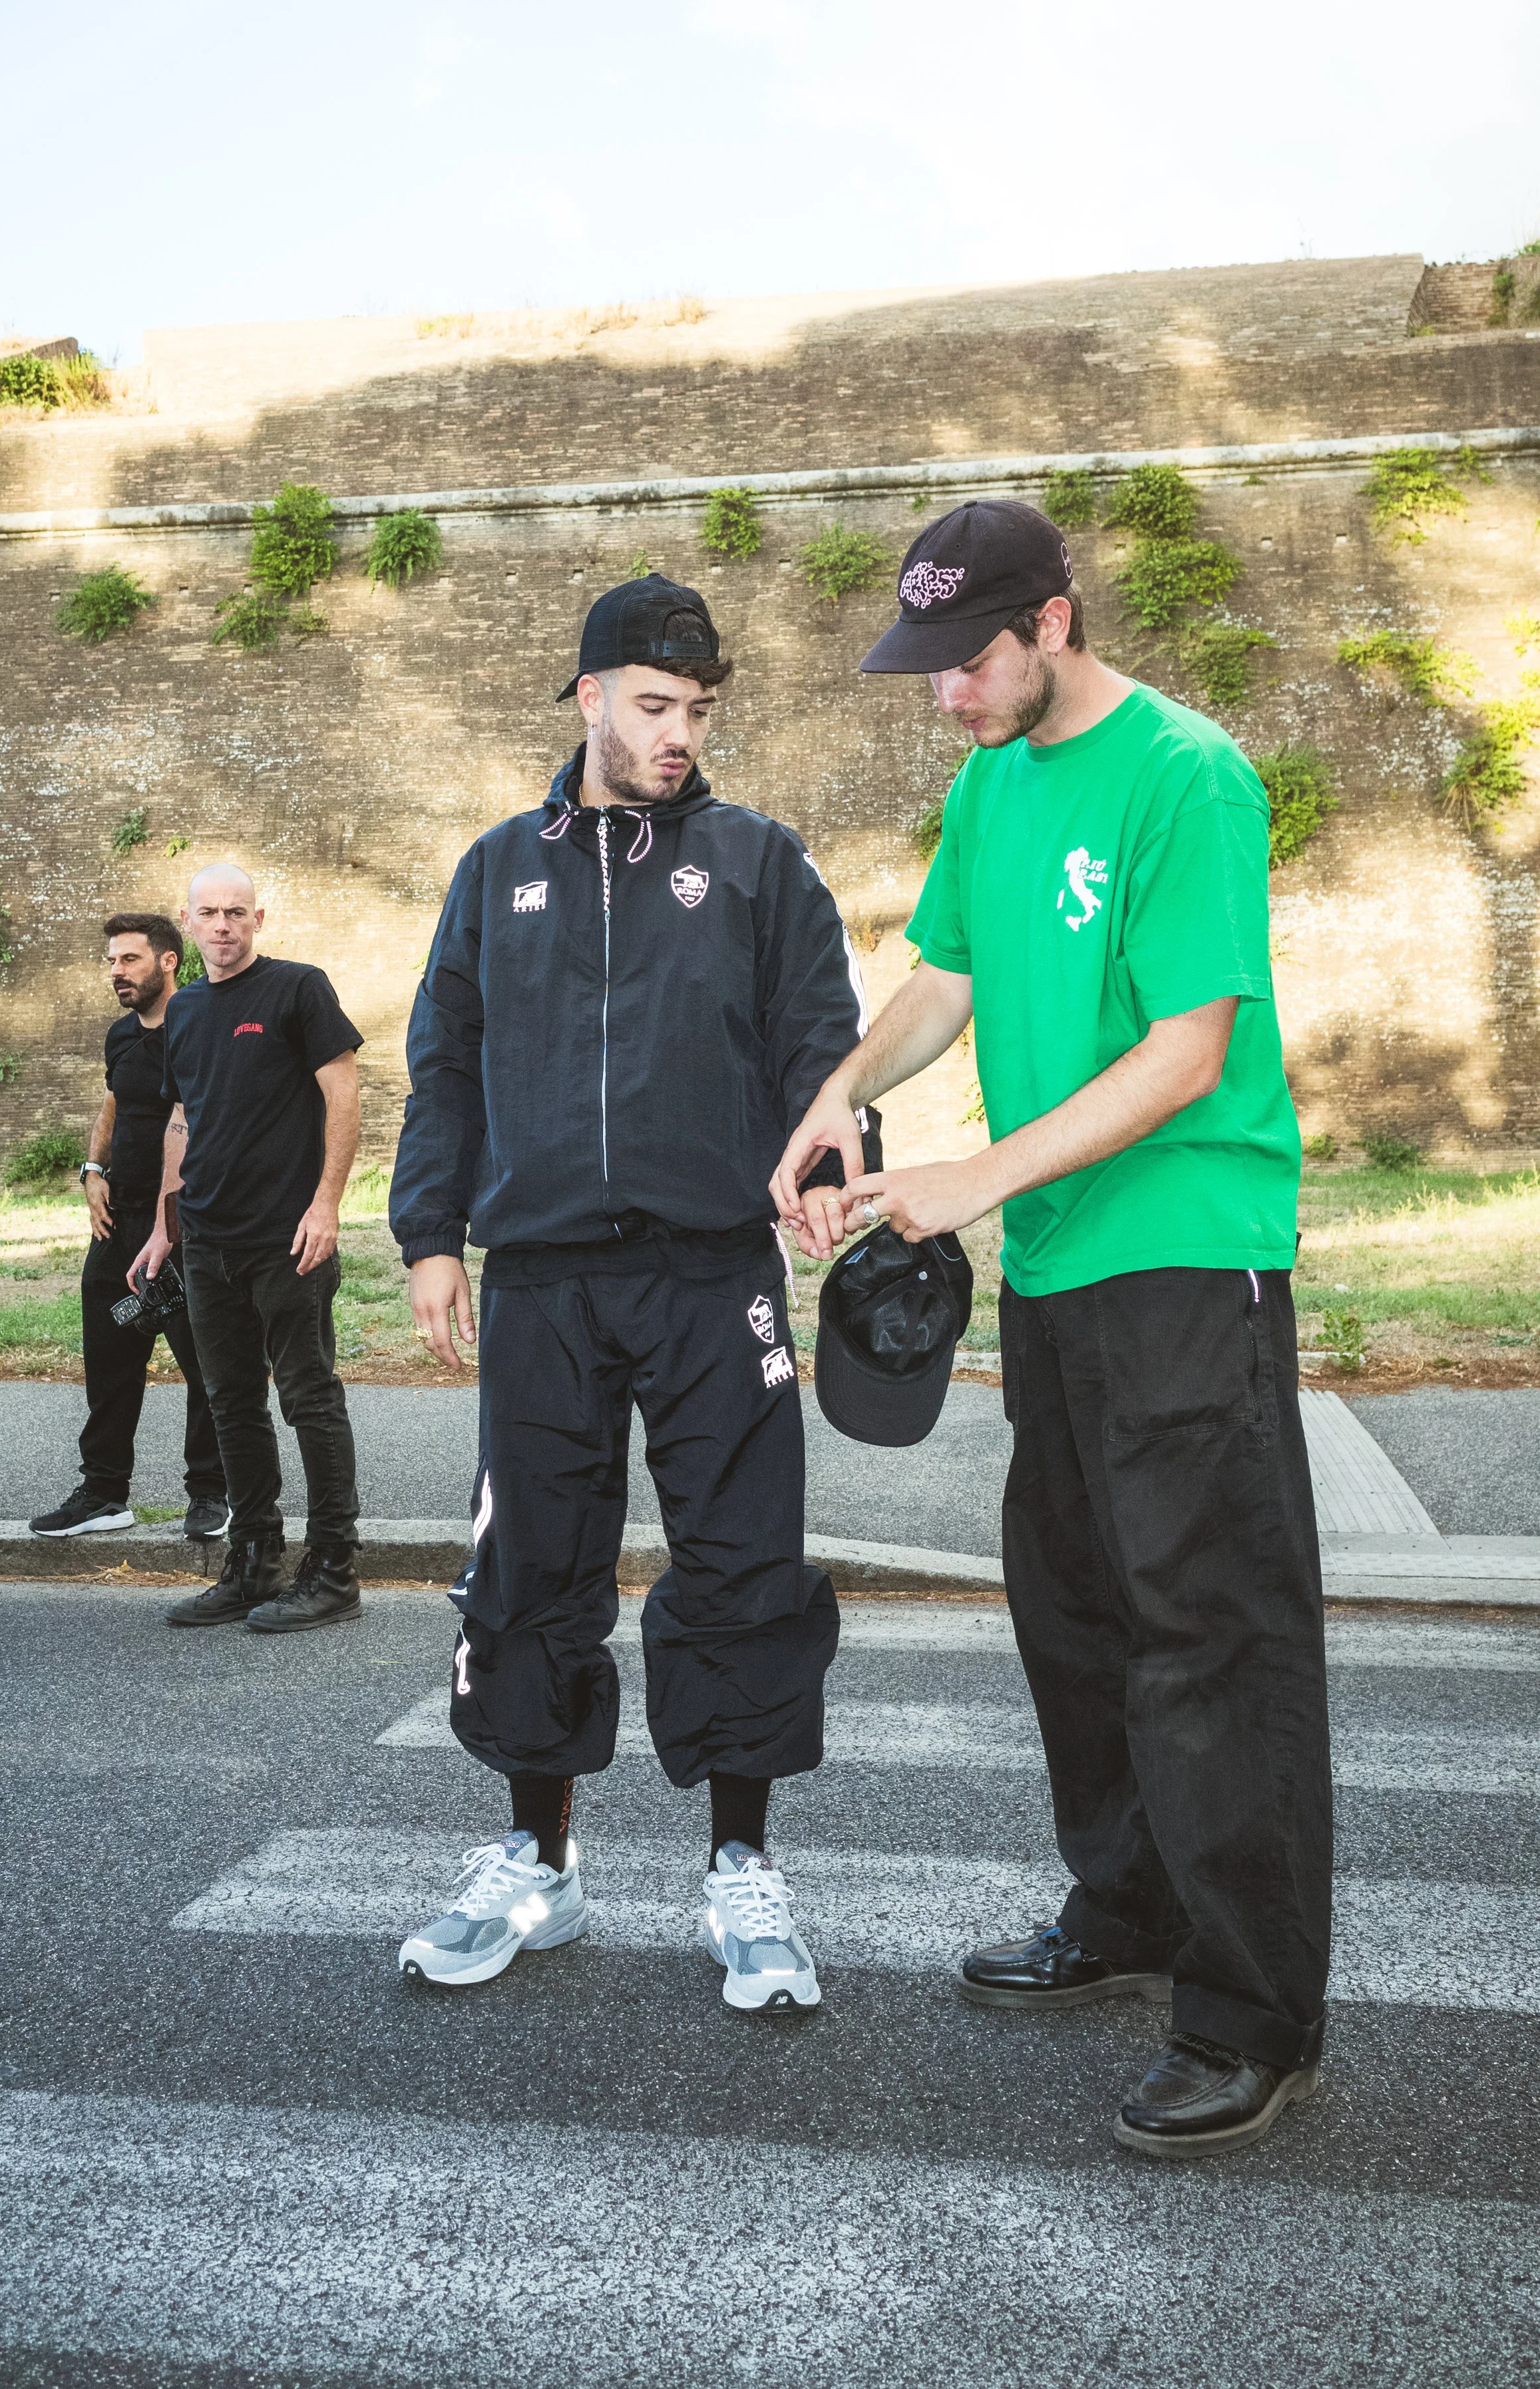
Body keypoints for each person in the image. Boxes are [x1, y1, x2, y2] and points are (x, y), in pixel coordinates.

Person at [773, 498, 1331, 2157]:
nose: (944, 692)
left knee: (1211, 1638)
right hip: (1064, 1273)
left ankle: (1253, 2017)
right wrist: (839, 1098)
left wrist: (967, 1177)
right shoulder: (992, 781)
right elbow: (944, 977)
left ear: (1055, 623)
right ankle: (1131, 1908)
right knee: (1078, 1617)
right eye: (928, 667)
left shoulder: (1187, 775)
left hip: (1186, 1257)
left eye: (966, 662)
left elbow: (1187, 1048)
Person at [388, 574, 873, 2012]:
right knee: (532, 1566)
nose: (677, 734)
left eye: (696, 710)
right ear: (588, 696)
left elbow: (819, 1046)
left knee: (737, 1562)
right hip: (540, 1276)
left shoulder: (753, 861)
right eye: (653, 705)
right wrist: (430, 1236)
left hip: (712, 1267)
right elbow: (445, 1064)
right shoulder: (496, 869)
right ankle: (536, 1863)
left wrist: (840, 1160)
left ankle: (740, 1875)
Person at [129, 863, 367, 1636]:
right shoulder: (187, 1011)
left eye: (237, 912)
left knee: (308, 1400)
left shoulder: (299, 989)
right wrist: (166, 1227)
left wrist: (326, 1204)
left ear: (257, 919)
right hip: (208, 1240)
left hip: (286, 1238)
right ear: (188, 924)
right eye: (210, 913)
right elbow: (183, 1120)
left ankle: (334, 1571)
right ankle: (253, 1562)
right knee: (231, 1404)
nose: (224, 925)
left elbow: (343, 1091)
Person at [30, 914, 228, 1543]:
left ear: (168, 962)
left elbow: (189, 1118)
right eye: (112, 961)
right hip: (119, 1223)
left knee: (205, 1362)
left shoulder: (198, 1024)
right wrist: (93, 1171)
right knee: (111, 1357)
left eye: (130, 960)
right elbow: (115, 1101)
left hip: (185, 1224)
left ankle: (211, 1495)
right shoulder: (120, 1036)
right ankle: (103, 1492)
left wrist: (169, 1222)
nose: (117, 971)